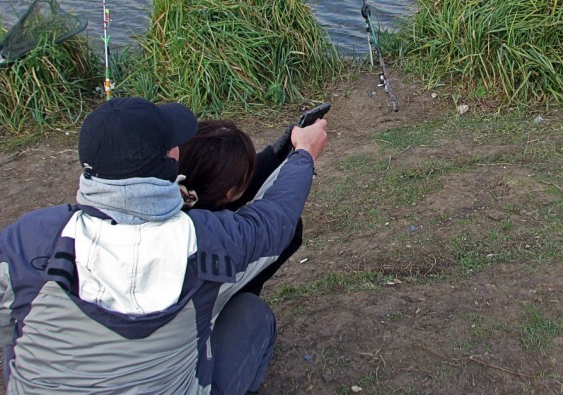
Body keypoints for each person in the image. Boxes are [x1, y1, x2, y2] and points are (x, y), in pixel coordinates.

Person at [0, 96, 327, 394]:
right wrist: (303, 154)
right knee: (252, 316)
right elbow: (274, 222)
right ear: (171, 159)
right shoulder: (203, 240)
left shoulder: (34, 234)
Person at [178, 119, 303, 295]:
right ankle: (235, 302)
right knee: (289, 231)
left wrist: (276, 155)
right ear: (231, 192)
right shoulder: (223, 237)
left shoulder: (172, 199)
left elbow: (214, 179)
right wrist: (303, 154)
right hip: (202, 312)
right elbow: (277, 221)